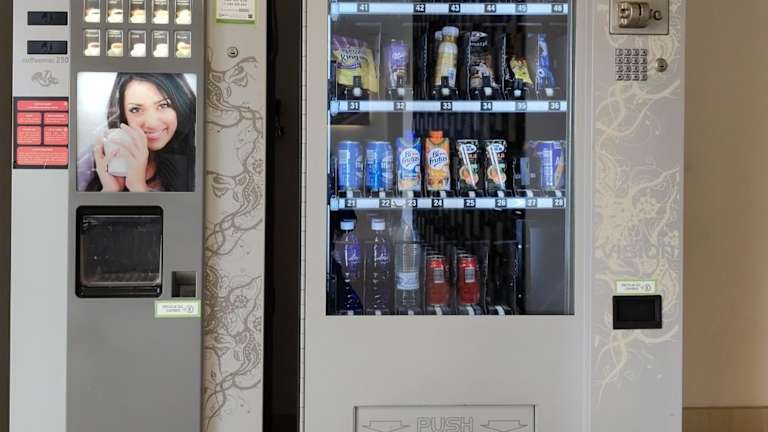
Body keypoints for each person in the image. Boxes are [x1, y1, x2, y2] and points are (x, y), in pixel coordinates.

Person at [86, 73, 196, 192]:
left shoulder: (199, 160)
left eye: (163, 105)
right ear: (123, 115)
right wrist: (110, 190)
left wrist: (138, 187)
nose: (152, 123)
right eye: (136, 109)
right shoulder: (96, 160)